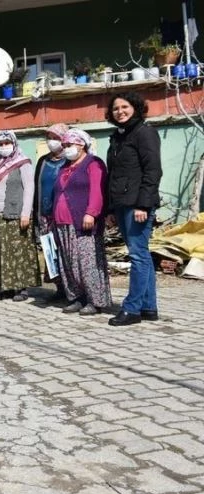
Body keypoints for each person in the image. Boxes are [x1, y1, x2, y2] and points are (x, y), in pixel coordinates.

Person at [105, 92, 163, 326]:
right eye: (116, 108)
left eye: (125, 106)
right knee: (142, 255)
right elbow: (114, 175)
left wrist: (143, 204)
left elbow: (153, 171)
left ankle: (132, 309)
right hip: (121, 203)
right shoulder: (118, 137)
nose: (120, 111)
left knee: (138, 255)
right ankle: (149, 307)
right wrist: (110, 207)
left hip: (137, 204)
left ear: (136, 108)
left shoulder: (145, 133)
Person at [52, 128, 112, 316]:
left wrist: (92, 213)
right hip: (62, 223)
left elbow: (97, 190)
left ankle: (95, 300)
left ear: (81, 145)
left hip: (83, 222)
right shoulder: (64, 166)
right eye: (64, 146)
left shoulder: (92, 164)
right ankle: (77, 297)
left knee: (87, 262)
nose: (65, 149)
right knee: (68, 263)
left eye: (69, 145)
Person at [0, 131, 41, 302]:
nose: (4, 147)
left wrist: (26, 213)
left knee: (17, 251)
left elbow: (29, 188)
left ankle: (21, 288)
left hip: (16, 215)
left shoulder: (23, 163)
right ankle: (5, 287)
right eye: (0, 144)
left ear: (14, 144)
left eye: (7, 143)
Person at [34, 123, 69, 301]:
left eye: (55, 138)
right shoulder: (43, 161)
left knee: (66, 251)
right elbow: (36, 187)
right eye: (49, 138)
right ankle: (60, 287)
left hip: (64, 215)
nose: (51, 142)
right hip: (45, 214)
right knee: (51, 252)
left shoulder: (70, 160)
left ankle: (73, 288)